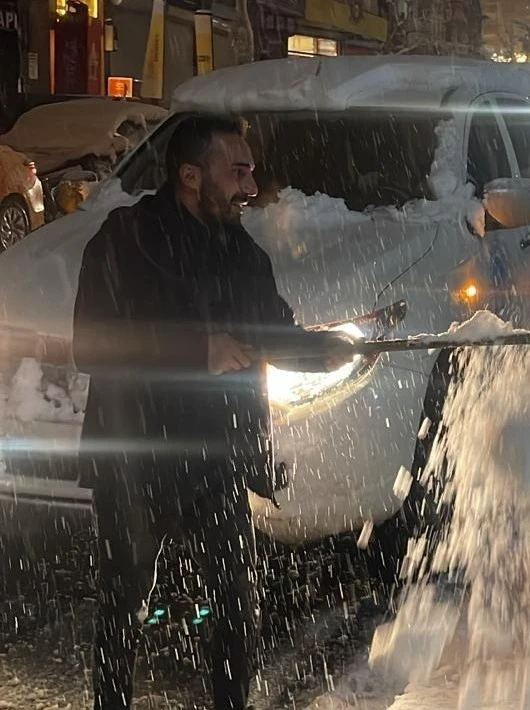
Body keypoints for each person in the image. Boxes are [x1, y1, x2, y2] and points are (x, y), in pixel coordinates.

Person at [72, 113, 357, 710]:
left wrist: (322, 351)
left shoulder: (242, 255)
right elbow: (92, 345)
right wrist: (197, 351)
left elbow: (271, 332)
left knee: (233, 604)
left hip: (217, 455)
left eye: (251, 172)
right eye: (239, 171)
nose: (251, 187)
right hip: (135, 451)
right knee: (125, 599)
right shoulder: (126, 240)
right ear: (189, 174)